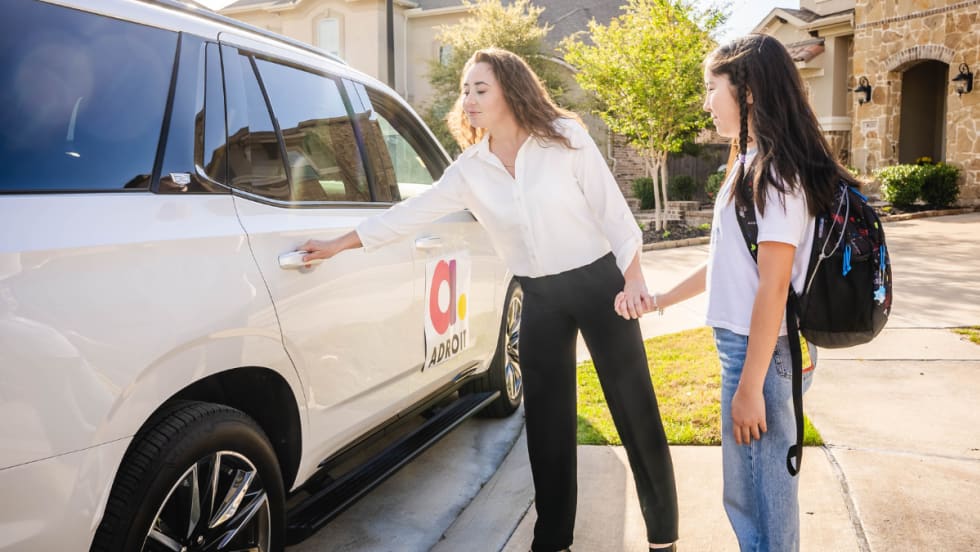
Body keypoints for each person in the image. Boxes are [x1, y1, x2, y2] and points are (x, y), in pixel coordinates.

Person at [298, 48, 678, 551]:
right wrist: (338, 244)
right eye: (465, 90)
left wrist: (634, 279)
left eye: (481, 89)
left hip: (600, 284)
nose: (469, 99)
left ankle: (663, 535)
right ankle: (554, 538)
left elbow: (612, 213)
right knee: (546, 421)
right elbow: (409, 214)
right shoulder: (470, 169)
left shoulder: (566, 140)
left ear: (512, 91)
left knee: (633, 406)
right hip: (538, 294)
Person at [618, 34, 851, 551]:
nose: (705, 102)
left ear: (745, 92)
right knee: (746, 494)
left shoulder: (776, 173)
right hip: (748, 350)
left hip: (761, 355)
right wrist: (658, 300)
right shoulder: (747, 162)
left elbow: (771, 288)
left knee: (764, 499)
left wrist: (749, 388)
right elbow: (725, 264)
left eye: (711, 88)